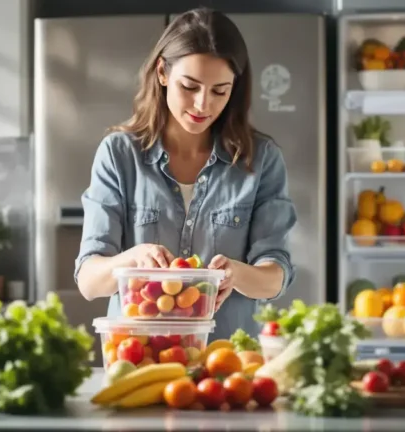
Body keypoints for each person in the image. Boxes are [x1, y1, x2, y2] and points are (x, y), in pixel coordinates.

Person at [74, 7, 296, 340]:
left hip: (226, 366)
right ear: (162, 72)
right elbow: (90, 281)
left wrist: (238, 274)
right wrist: (132, 260)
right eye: (189, 87)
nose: (203, 105)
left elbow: (276, 275)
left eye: (220, 91)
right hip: (139, 361)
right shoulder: (119, 155)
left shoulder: (261, 159)